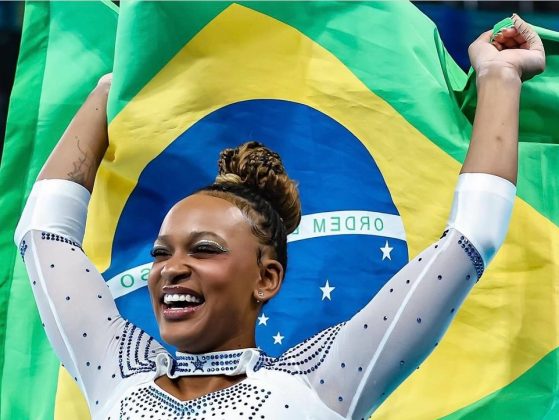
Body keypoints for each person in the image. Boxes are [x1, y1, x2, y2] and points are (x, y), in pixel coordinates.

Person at [14, 14, 545, 420]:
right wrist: (124, 82)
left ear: (267, 278)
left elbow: (470, 238)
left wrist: (500, 77)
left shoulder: (323, 380)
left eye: (204, 249)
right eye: (162, 252)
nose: (170, 268)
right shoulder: (115, 371)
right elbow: (42, 233)